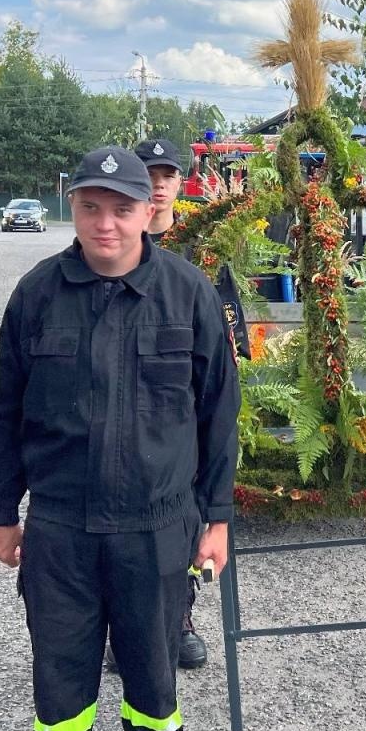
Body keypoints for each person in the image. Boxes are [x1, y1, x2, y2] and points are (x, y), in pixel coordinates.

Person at [0, 145, 238, 731]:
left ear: (149, 211)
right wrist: (3, 508)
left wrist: (215, 516)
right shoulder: (36, 294)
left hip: (158, 526)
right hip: (60, 527)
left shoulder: (188, 294)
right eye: (90, 207)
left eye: (121, 208)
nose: (105, 223)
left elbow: (220, 414)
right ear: (74, 209)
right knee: (61, 683)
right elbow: (6, 411)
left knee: (155, 683)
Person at [129, 135, 249, 671]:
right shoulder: (120, 238)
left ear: (181, 182)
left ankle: (179, 618)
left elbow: (225, 310)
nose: (158, 184)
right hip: (131, 398)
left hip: (183, 396)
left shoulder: (201, 244)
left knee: (186, 510)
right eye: (149, 173)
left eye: (167, 175)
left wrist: (236, 352)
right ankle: (127, 624)